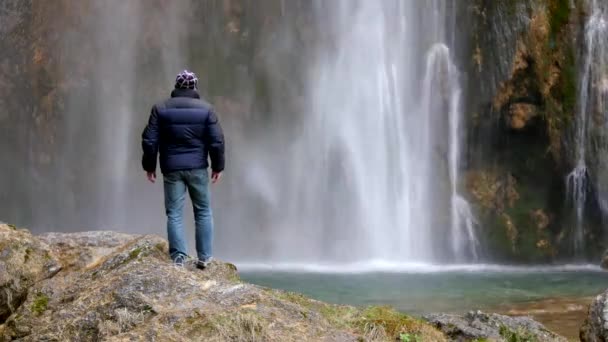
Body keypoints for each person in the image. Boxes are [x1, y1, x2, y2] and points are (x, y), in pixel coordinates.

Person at [141, 70, 225, 269]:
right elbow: (217, 141)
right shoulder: (207, 109)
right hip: (198, 167)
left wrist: (149, 166)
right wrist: (218, 166)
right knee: (203, 211)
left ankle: (178, 257)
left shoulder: (160, 108)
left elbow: (149, 140)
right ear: (195, 87)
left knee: (174, 214)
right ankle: (204, 257)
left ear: (176, 86)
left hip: (171, 168)